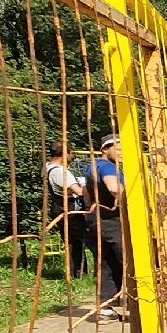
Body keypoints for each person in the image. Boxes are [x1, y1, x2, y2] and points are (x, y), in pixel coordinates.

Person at [89, 133, 129, 322]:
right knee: (129, 260)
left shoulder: (94, 166)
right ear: (105, 149)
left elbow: (84, 193)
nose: (122, 152)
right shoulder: (106, 166)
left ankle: (105, 307)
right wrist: (132, 206)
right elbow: (113, 188)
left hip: (96, 221)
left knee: (107, 263)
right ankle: (141, 304)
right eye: (118, 148)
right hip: (111, 221)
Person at [43, 142, 92, 280]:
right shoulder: (60, 171)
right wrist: (91, 187)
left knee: (71, 242)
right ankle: (81, 273)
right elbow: (77, 191)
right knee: (81, 240)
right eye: (71, 153)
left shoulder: (47, 167)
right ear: (64, 154)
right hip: (69, 211)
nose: (72, 156)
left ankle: (76, 274)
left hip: (59, 208)